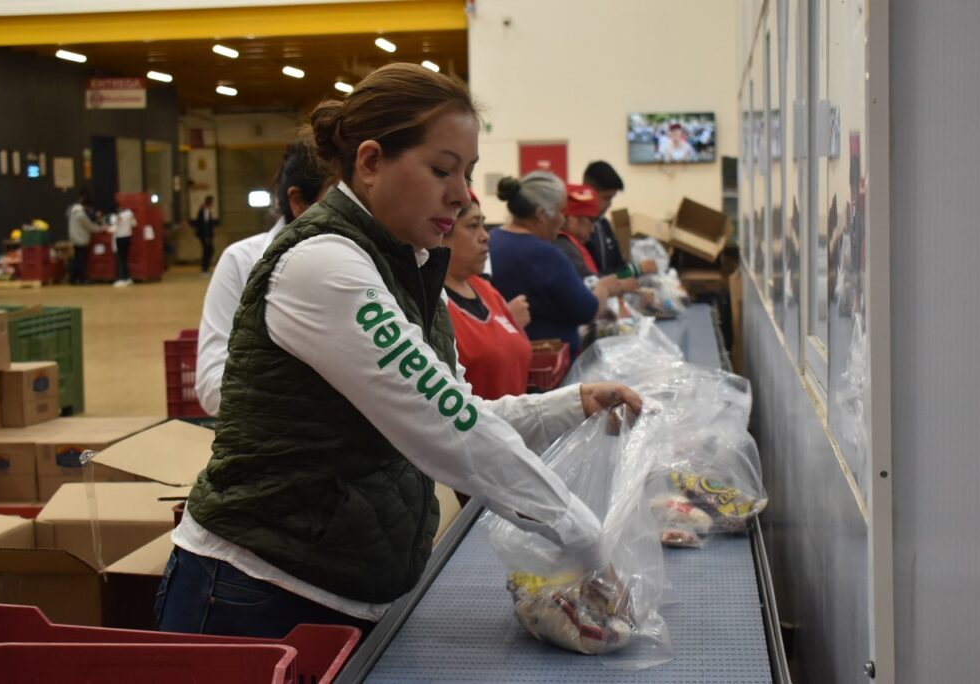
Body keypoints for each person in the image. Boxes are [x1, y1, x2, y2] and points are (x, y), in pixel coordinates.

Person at [156, 63, 641, 639]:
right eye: (442, 170)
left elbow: (459, 408)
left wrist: (570, 404)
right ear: (369, 163)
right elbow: (446, 427)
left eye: (468, 173)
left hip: (339, 585)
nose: (461, 196)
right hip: (255, 595)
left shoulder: (408, 267)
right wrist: (584, 537)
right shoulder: (323, 266)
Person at [195, 135, 330, 416]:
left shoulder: (370, 260)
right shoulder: (242, 262)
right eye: (339, 201)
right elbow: (212, 386)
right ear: (299, 202)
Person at [488, 172, 618, 356]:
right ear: (542, 214)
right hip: (547, 363)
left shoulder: (491, 240)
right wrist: (603, 289)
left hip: (507, 354)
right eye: (560, 212)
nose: (563, 220)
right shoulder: (546, 255)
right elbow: (588, 310)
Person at [443, 192, 531, 400]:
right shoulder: (432, 304)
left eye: (483, 225)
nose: (486, 236)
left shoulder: (485, 289)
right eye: (473, 226)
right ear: (442, 233)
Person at [582, 161, 629, 276]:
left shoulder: (603, 223)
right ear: (589, 192)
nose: (609, 204)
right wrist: (636, 270)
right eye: (606, 198)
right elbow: (589, 277)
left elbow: (619, 265)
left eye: (611, 198)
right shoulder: (577, 228)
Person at [66, 189, 102, 284]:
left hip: (74, 238)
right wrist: (101, 228)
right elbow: (90, 226)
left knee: (76, 259)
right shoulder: (81, 215)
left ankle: (74, 279)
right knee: (81, 261)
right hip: (81, 239)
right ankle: (83, 278)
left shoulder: (72, 211)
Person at [112, 198, 136, 287]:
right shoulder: (130, 213)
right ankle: (128, 278)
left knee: (121, 259)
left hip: (119, 238)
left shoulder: (117, 216)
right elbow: (134, 224)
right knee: (125, 258)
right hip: (128, 237)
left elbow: (113, 228)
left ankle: (122, 278)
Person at [194, 195, 217, 274]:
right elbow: (205, 224)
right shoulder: (204, 210)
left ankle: (206, 268)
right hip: (205, 235)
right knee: (208, 251)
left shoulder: (206, 210)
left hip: (206, 235)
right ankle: (205, 269)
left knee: (208, 251)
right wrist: (206, 236)